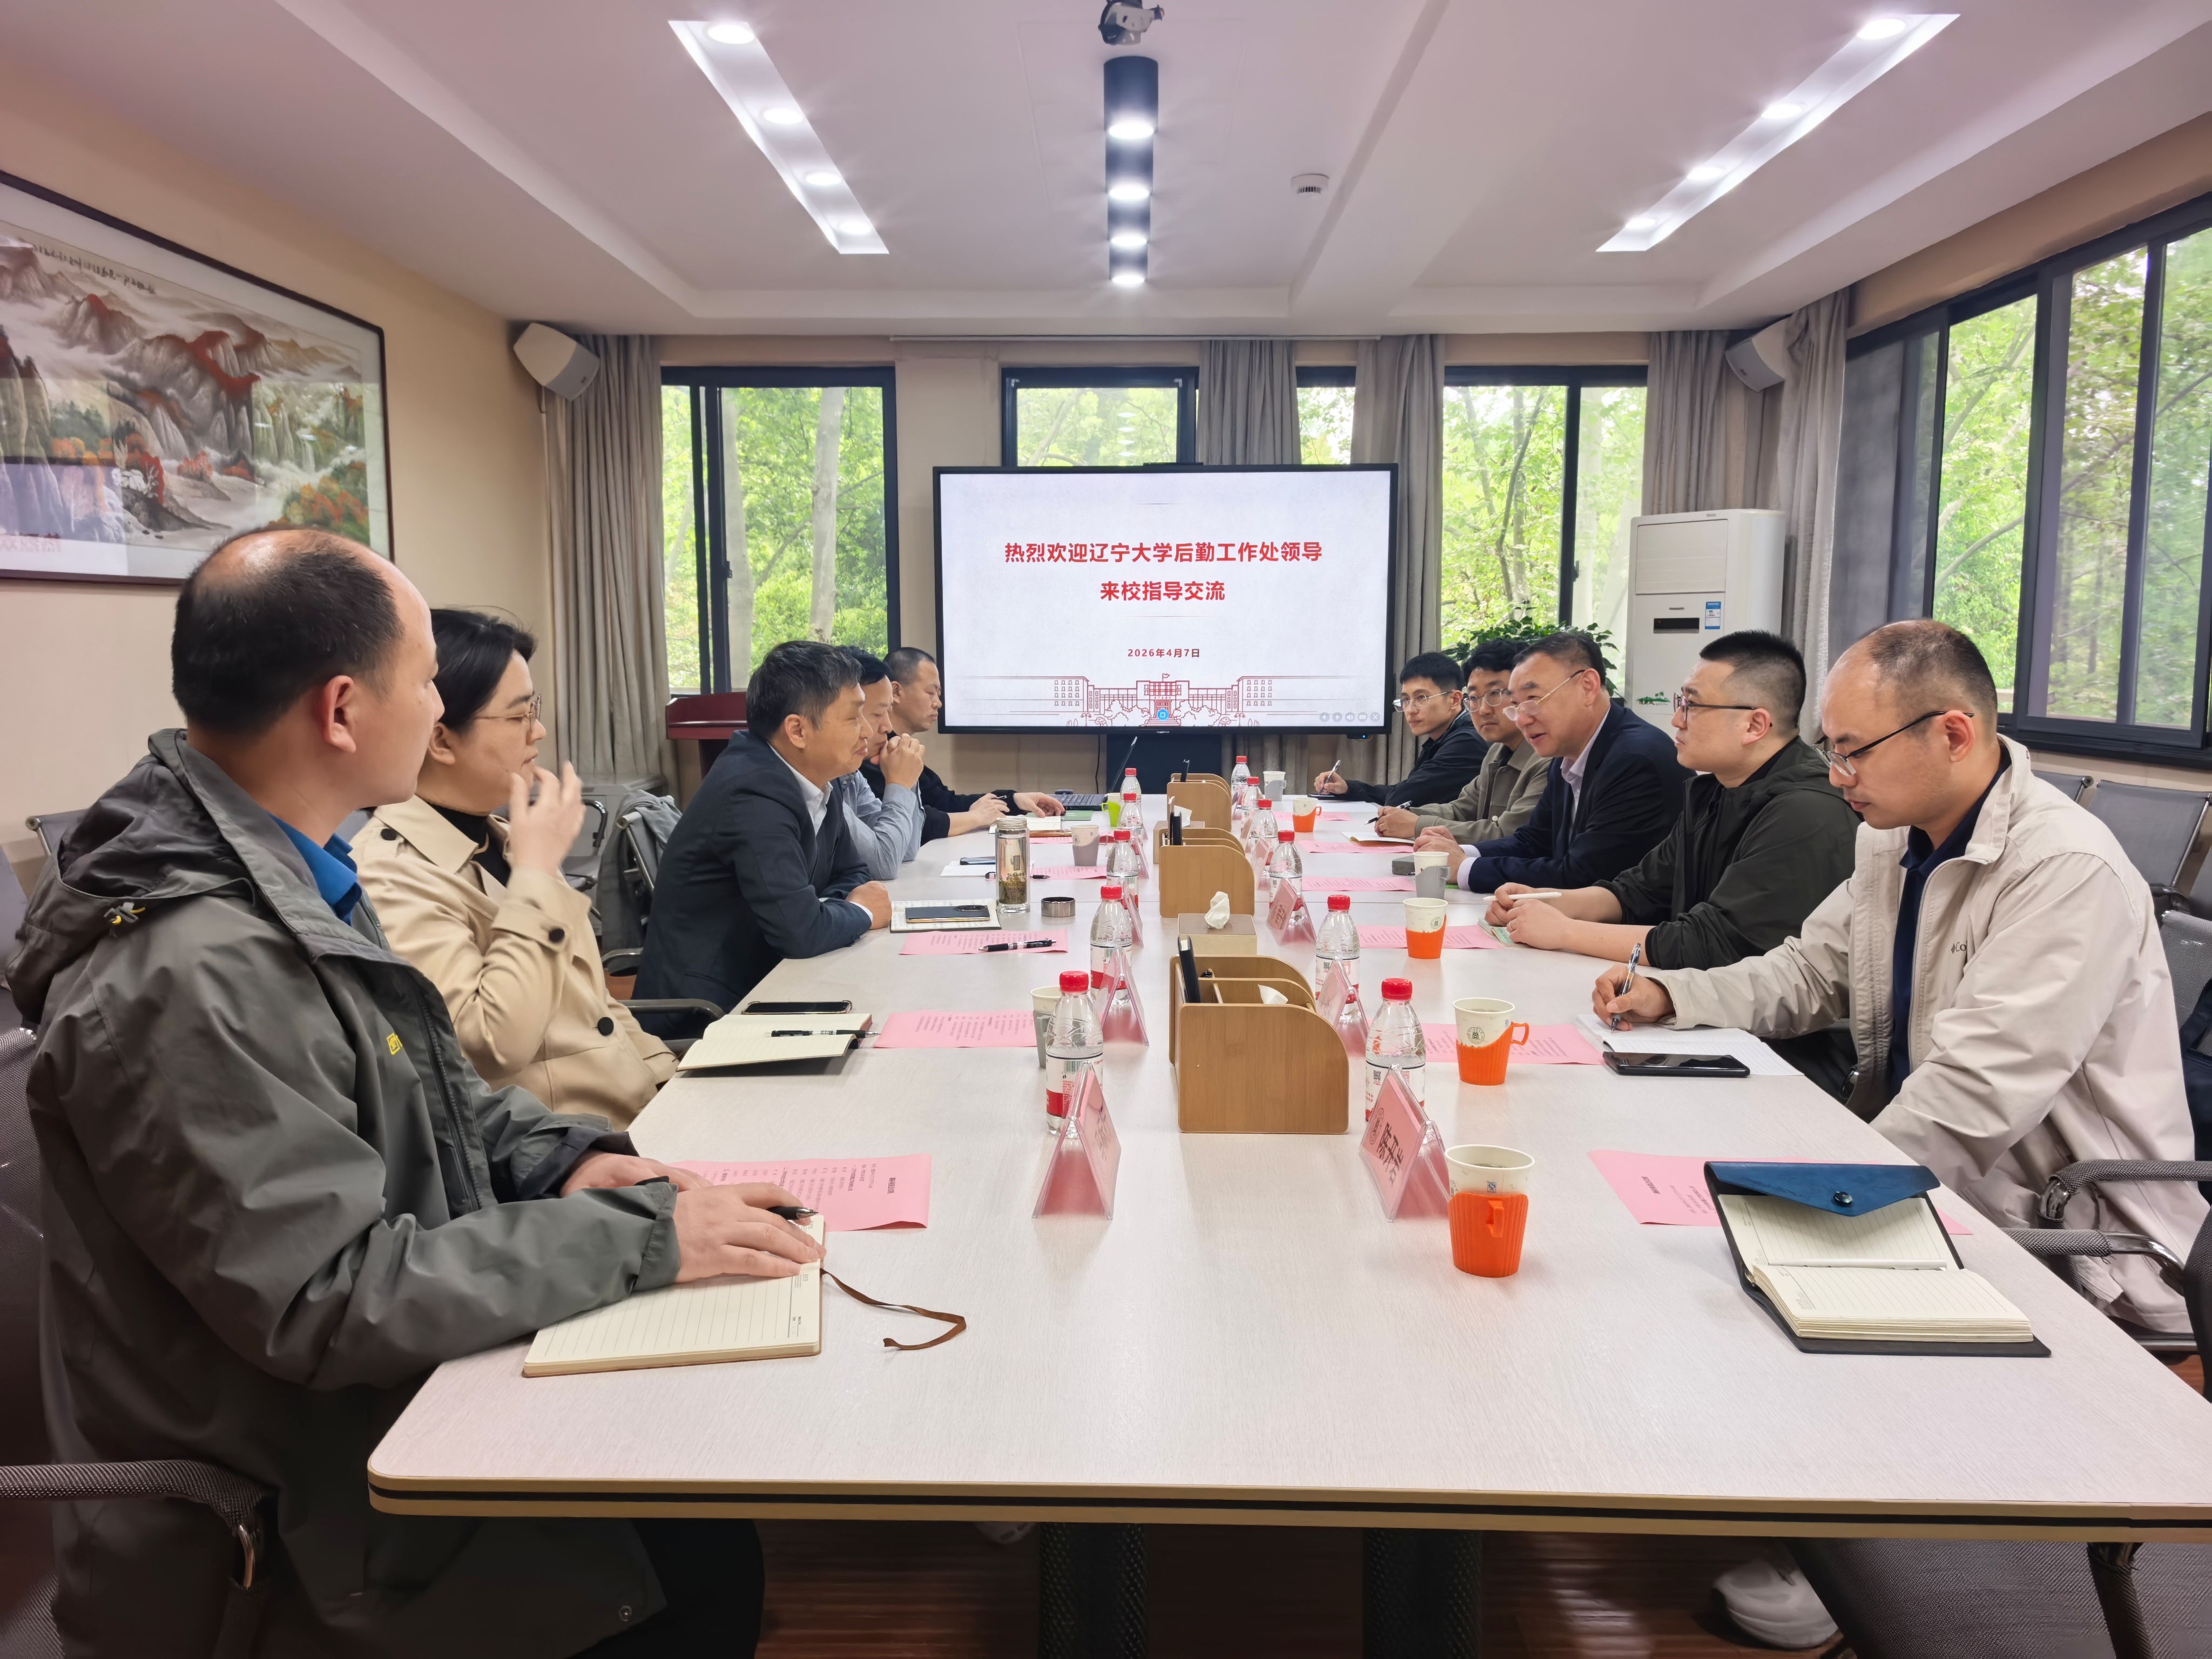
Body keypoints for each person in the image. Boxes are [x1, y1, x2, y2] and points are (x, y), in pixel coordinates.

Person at [6, 528, 821, 1657]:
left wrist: (567, 1160)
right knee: (693, 1566)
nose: (441, 709)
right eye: (430, 679)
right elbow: (327, 1297)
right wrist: (643, 1238)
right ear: (343, 710)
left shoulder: (292, 873)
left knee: (700, 1524)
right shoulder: (187, 969)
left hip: (364, 1402)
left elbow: (436, 1085)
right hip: (289, 1510)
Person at [1595, 619, 2207, 1333]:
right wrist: (1674, 993)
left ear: (1953, 734)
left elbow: (1974, 1093)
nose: (1837, 776)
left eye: (1854, 751)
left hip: (2074, 1241)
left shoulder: (2063, 870)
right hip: (1934, 1190)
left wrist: (1826, 1194)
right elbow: (1808, 973)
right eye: (1832, 750)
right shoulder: (1893, 839)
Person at [355, 609, 675, 1129]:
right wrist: (536, 873)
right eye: (519, 715)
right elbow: (491, 1044)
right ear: (441, 740)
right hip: (570, 1145)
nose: (539, 731)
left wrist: (668, 1079)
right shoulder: (390, 875)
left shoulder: (503, 837)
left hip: (640, 1110)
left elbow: (596, 1007)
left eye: (535, 709)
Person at [1483, 631, 1857, 970]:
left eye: (1692, 705)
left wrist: (1565, 932)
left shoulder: (1806, 811)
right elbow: (1637, 891)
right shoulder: (1715, 791)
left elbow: (1715, 943)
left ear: (1754, 725)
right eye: (1681, 701)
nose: (1677, 719)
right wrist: (1546, 901)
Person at [637, 640, 892, 1028]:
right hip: (712, 1011)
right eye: (854, 717)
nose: (869, 731)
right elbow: (801, 932)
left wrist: (821, 911)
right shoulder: (751, 792)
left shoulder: (819, 778)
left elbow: (853, 872)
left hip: (775, 979)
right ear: (798, 730)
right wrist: (861, 912)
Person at [1434, 631, 1689, 894]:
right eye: (1516, 705)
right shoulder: (1567, 753)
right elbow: (1535, 841)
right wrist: (1459, 853)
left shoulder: (1634, 760)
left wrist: (1465, 868)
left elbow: (1585, 875)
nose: (1522, 719)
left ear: (1587, 686)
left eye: (1533, 700)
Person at [880, 645, 1065, 840]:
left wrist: (1014, 800)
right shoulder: (877, 753)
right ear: (896, 692)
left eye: (939, 695)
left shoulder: (902, 749)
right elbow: (916, 823)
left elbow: (944, 802)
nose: (938, 703)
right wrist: (976, 818)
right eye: (930, 693)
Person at [1372, 639, 1547, 842]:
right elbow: (1461, 809)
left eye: (1494, 694)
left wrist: (1417, 824)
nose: (1483, 710)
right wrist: (1408, 815)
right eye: (1474, 697)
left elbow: (1509, 836)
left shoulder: (1548, 759)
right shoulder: (1497, 752)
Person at [1312, 650, 1486, 808]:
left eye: (1421, 698)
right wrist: (1348, 788)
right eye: (1406, 700)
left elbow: (1402, 799)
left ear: (1455, 700)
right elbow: (1404, 791)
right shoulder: (1441, 738)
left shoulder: (1467, 742)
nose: (1410, 710)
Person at [837, 650, 927, 881]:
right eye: (878, 714)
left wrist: (907, 779)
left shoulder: (850, 775)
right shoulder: (823, 779)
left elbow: (907, 851)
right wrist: (900, 784)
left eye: (889, 713)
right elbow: (884, 863)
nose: (888, 727)